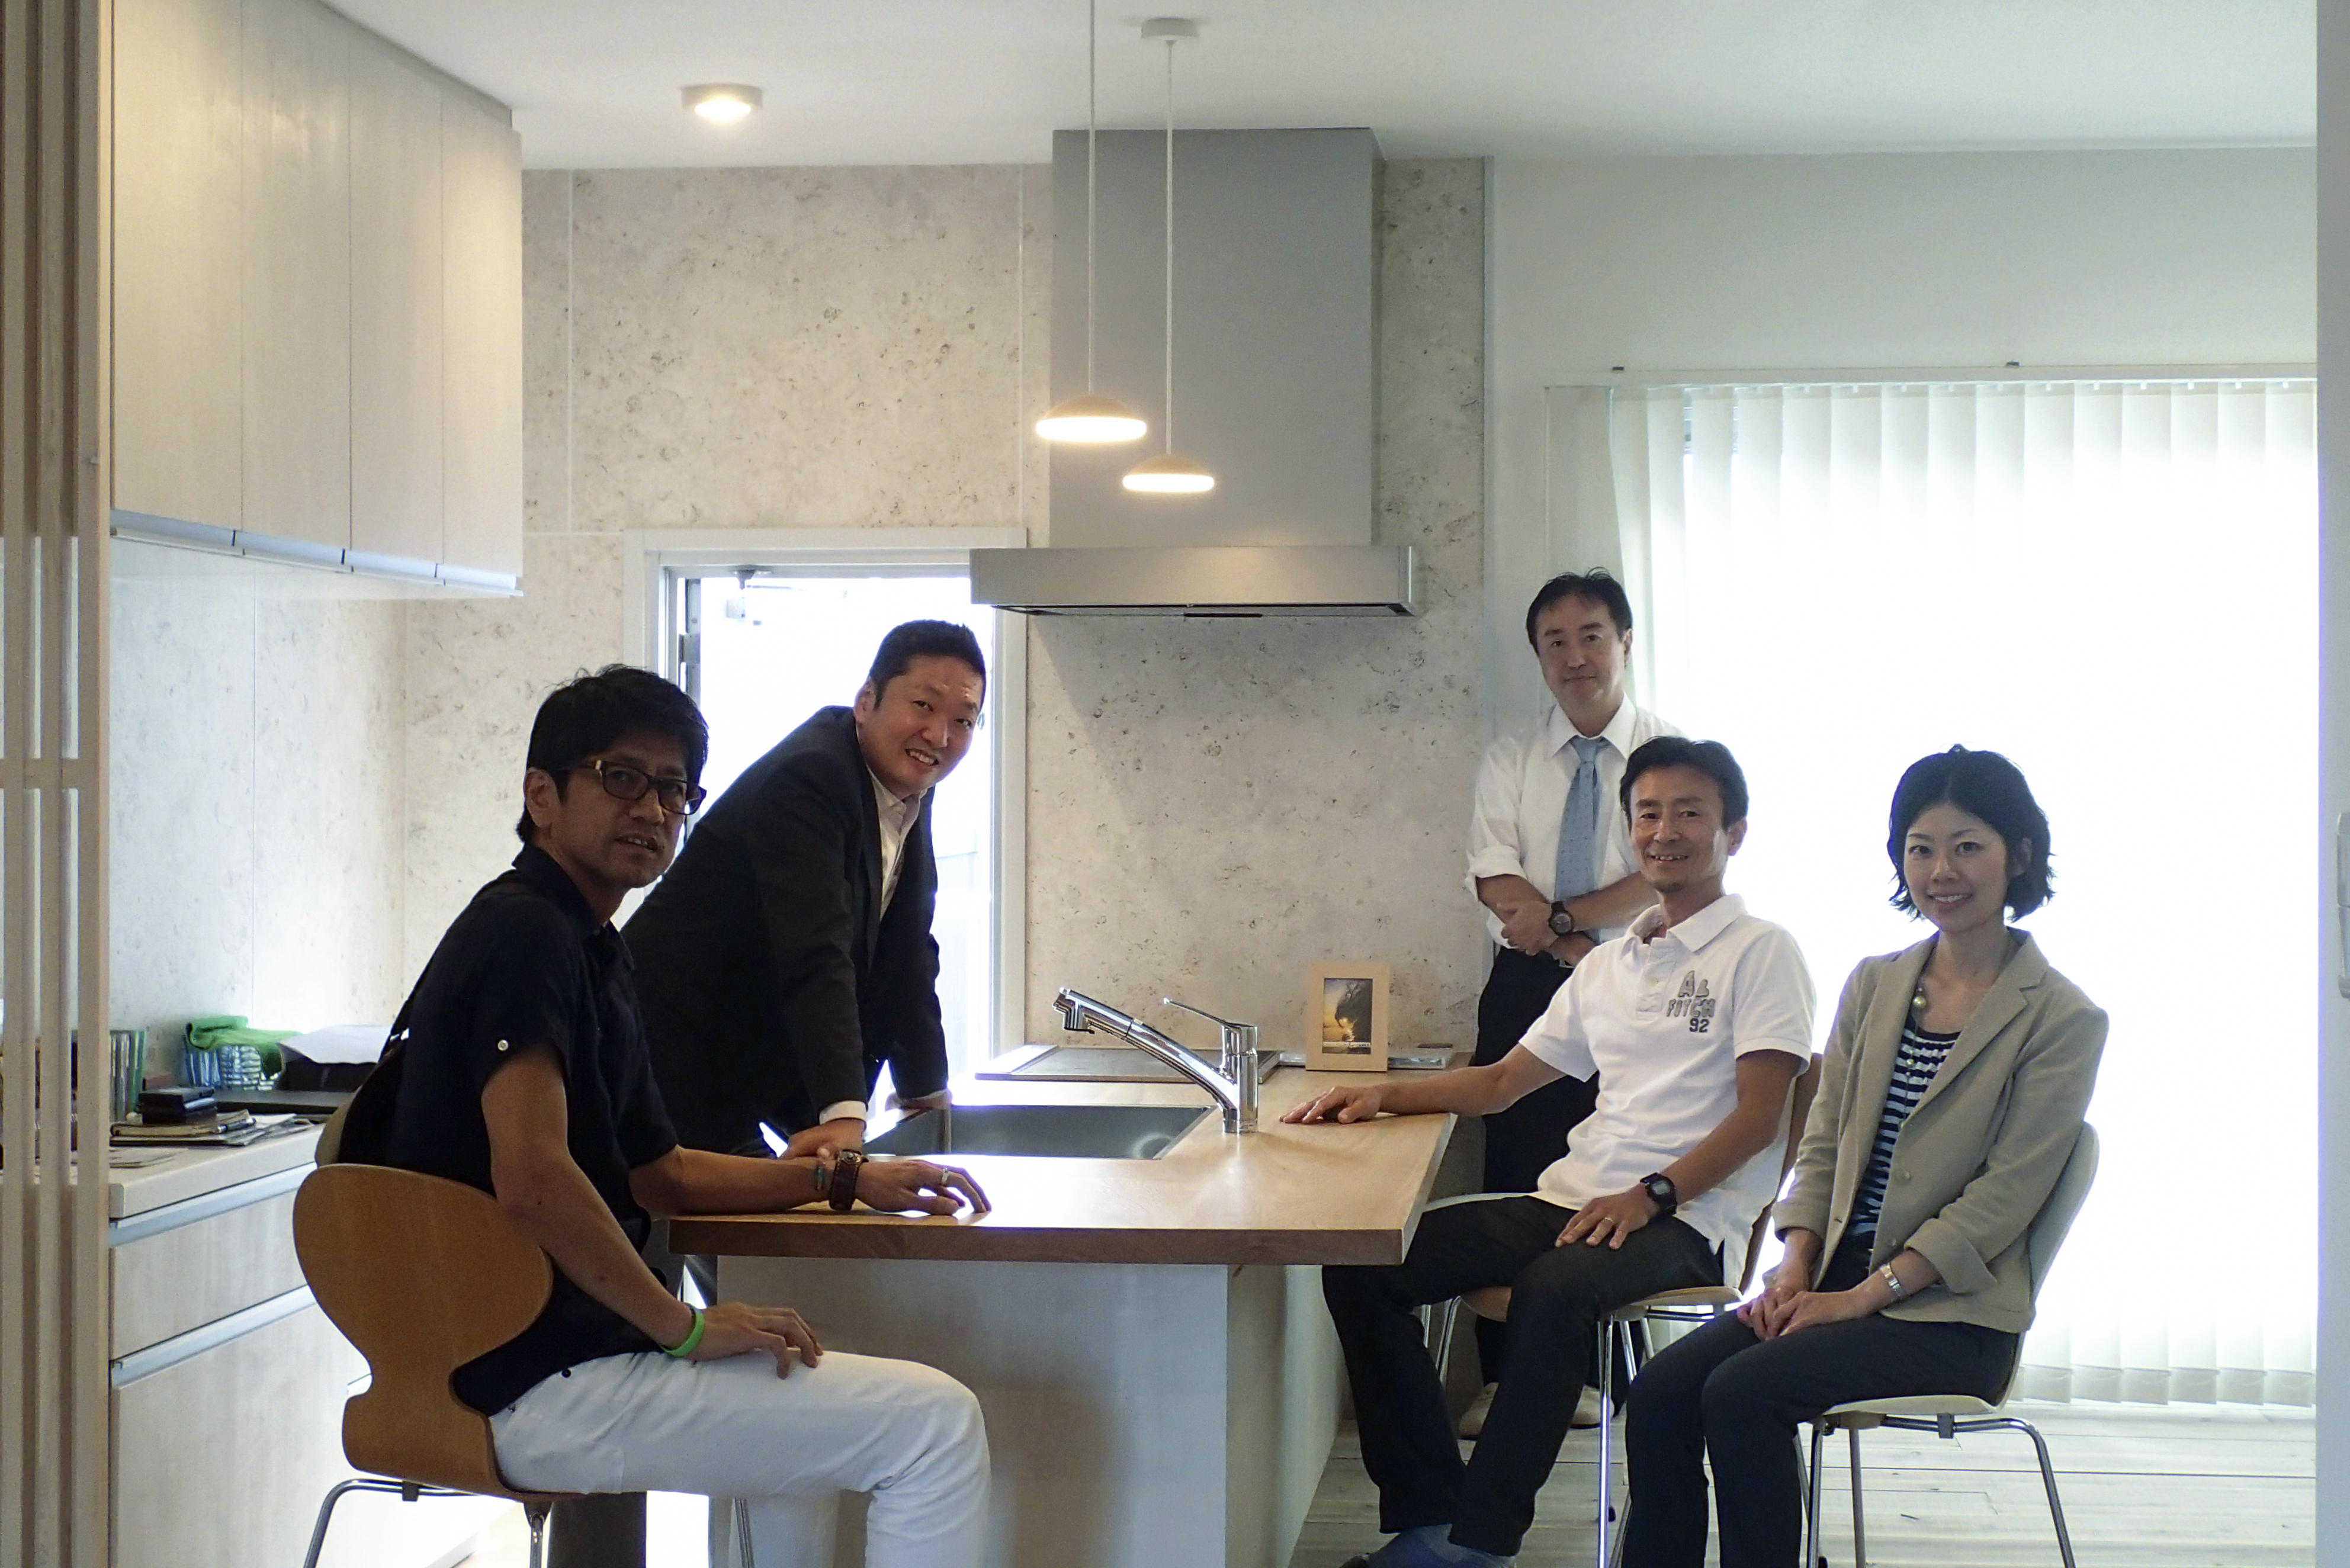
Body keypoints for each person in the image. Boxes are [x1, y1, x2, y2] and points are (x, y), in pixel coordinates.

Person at [339, 665, 994, 1568]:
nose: (652, 808)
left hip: (540, 1359)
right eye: (621, 778)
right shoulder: (526, 935)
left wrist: (844, 1177)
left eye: (675, 790)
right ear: (542, 795)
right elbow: (533, 1178)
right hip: (527, 1377)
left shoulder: (592, 948)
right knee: (937, 1426)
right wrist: (681, 1327)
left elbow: (665, 1174)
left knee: (796, 1386)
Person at [1289, 738, 1813, 1568]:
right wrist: (1385, 1093)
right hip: (1571, 1198)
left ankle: (1476, 1546)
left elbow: (1760, 1116)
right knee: (1366, 1264)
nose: (1665, 831)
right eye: (1648, 813)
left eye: (1689, 812)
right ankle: (1430, 1515)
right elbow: (1501, 1083)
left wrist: (1653, 1193)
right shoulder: (1610, 964)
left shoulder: (1762, 951)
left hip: (1686, 1218)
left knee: (1553, 1287)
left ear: (1733, 831)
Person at [1622, 746, 2107, 1568]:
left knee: (1742, 1392)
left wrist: (1858, 1299)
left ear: (2018, 854)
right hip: (1832, 1277)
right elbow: (1823, 1140)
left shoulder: (2062, 1018)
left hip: (1950, 1316)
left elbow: (2003, 1199)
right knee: (1664, 1389)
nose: (1941, 871)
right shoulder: (1874, 984)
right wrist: (1794, 1263)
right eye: (1920, 848)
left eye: (1967, 846)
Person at [627, 620, 987, 1163]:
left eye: (963, 720)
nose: (939, 736)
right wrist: (842, 1112)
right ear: (866, 700)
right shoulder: (812, 776)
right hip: (669, 1050)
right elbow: (816, 950)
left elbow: (908, 949)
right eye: (923, 706)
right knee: (770, 1209)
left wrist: (925, 1091)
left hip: (750, 1062)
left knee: (813, 1200)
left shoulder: (905, 788)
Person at [1460, 571, 1681, 1429]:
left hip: (1641, 979)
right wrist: (1565, 942)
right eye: (1554, 641)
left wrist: (1564, 923)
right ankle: (1506, 1381)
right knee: (1516, 1166)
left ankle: (1603, 1375)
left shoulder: (1668, 753)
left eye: (1591, 636)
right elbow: (1492, 873)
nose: (1574, 656)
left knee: (1621, 1160)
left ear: (1623, 642)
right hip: (1526, 981)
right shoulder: (1511, 756)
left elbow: (1660, 873)